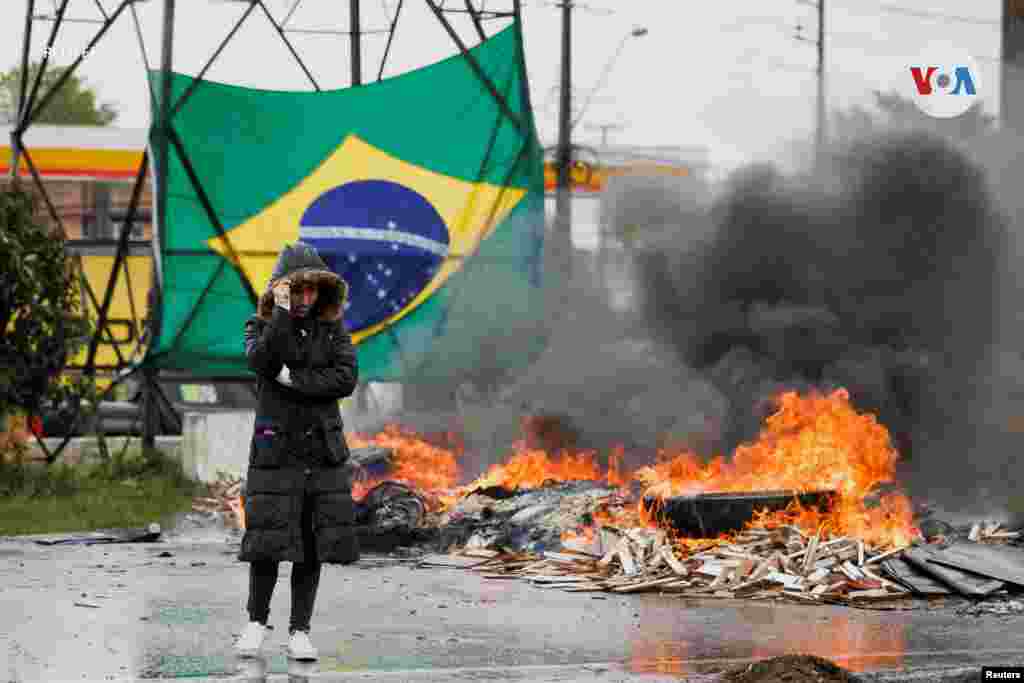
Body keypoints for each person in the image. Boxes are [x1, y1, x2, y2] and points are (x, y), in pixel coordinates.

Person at [234, 241, 359, 661]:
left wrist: (295, 380)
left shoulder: (334, 331)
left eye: (312, 291)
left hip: (321, 452)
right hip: (276, 451)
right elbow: (264, 363)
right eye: (297, 291)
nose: (306, 299)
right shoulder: (260, 327)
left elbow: (344, 378)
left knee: (311, 543)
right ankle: (255, 622)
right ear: (281, 292)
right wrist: (282, 316)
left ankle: (300, 631)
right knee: (268, 539)